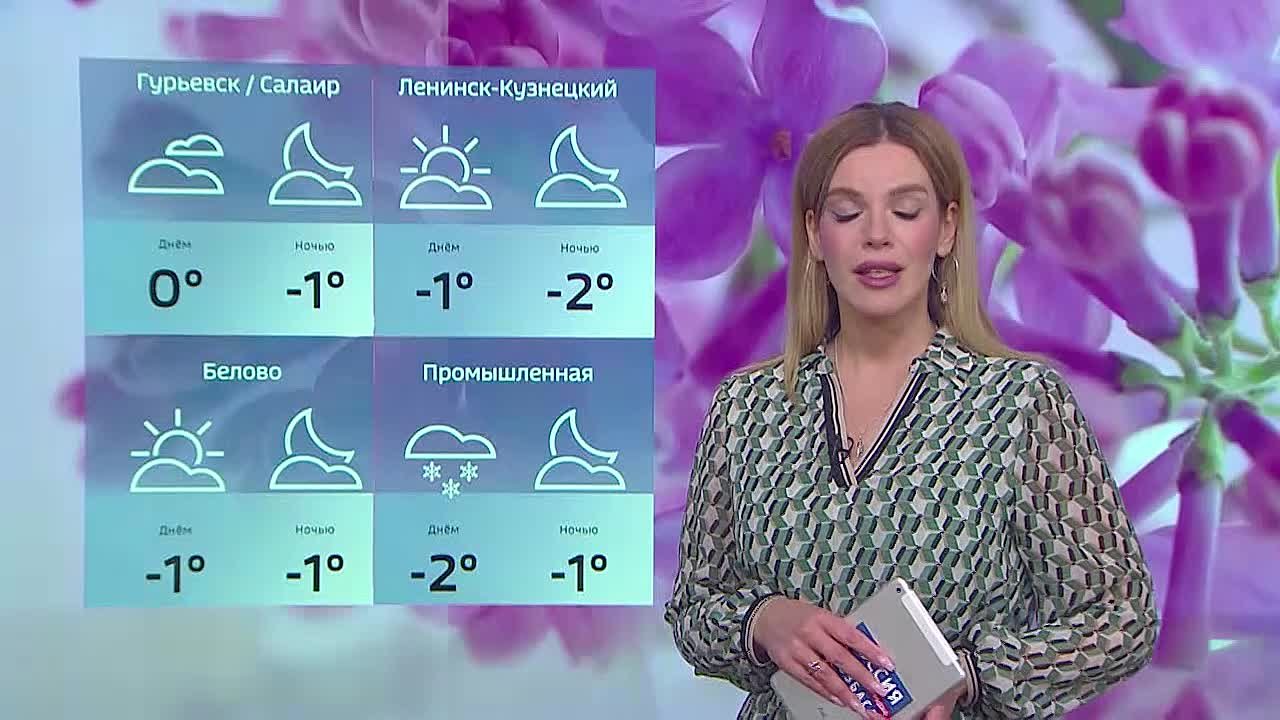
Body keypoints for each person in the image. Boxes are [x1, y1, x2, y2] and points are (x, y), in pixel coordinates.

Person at [662, 101, 1159, 720]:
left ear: (948, 228)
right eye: (848, 212)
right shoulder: (748, 407)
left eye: (906, 210)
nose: (877, 235)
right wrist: (762, 620)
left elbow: (1122, 619)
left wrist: (972, 676)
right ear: (812, 232)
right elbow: (694, 611)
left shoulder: (1024, 402)